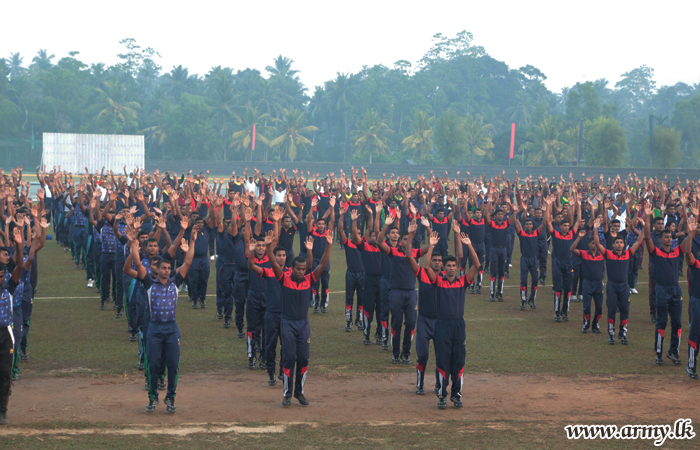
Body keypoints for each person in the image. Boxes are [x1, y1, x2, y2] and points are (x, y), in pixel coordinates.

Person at [132, 227, 196, 413]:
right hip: (154, 329)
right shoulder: (149, 283)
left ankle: (170, 398)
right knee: (152, 365)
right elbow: (136, 262)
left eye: (169, 268)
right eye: (164, 268)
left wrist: (192, 240)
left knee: (173, 366)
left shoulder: (175, 282)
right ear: (157, 270)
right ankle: (153, 398)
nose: (167, 271)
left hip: (171, 330)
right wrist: (134, 244)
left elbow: (189, 260)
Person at [267, 227, 331, 406]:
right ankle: (287, 394)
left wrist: (328, 246)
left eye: (304, 269)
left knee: (303, 358)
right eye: (298, 269)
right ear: (292, 269)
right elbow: (273, 264)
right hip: (287, 323)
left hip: (303, 325)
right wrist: (268, 248)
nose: (302, 272)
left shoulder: (309, 280)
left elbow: (323, 264)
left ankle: (299, 392)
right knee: (288, 358)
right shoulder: (284, 279)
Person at [418, 228, 480, 409]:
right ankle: (442, 395)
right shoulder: (438, 281)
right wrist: (430, 246)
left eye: (454, 265)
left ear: (456, 268)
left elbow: (476, 266)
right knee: (443, 361)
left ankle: (457, 394)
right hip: (442, 325)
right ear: (443, 268)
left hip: (458, 326)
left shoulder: (462, 281)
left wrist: (469, 246)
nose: (451, 268)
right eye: (448, 266)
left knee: (459, 361)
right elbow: (427, 266)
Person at [378, 213, 428, 364]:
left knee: (411, 323)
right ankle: (395, 353)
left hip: (411, 292)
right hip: (396, 292)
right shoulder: (394, 252)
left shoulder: (415, 253)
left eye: (409, 239)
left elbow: (431, 245)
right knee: (397, 323)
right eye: (405, 239)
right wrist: (386, 225)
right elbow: (380, 242)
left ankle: (406, 353)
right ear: (400, 241)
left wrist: (428, 229)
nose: (407, 241)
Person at [644, 202, 683, 366]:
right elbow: (646, 237)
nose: (668, 239)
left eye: (670, 237)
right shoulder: (656, 252)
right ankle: (658, 353)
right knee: (662, 323)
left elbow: (688, 237)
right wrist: (647, 217)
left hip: (676, 290)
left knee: (678, 323)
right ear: (660, 240)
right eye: (665, 237)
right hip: (661, 291)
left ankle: (673, 352)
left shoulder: (676, 251)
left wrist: (689, 222)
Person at [0, 227, 30, 426]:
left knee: (4, 373)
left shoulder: (8, 286)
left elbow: (20, 266)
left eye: (3, 273)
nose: (2, 276)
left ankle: (2, 411)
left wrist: (19, 245)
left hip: (5, 333)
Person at [545, 194, 581, 322]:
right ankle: (556, 311)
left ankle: (565, 311)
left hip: (568, 263)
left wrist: (577, 206)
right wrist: (549, 204)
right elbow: (548, 221)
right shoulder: (555, 233)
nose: (566, 227)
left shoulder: (571, 233)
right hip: (558, 263)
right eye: (564, 226)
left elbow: (576, 221)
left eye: (567, 226)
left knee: (568, 289)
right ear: (560, 226)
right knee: (558, 289)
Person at [509, 196, 547, 310]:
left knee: (535, 280)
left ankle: (532, 300)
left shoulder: (536, 233)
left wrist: (546, 209)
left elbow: (545, 222)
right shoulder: (522, 233)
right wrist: (515, 212)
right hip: (524, 259)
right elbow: (515, 223)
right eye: (527, 224)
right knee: (524, 281)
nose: (529, 226)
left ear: (532, 225)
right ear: (525, 226)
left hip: (534, 259)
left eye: (531, 224)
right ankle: (523, 300)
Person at [352, 208, 382, 346]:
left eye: (376, 236)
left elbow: (376, 229)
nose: (374, 237)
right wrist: (354, 222)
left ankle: (379, 333)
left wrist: (376, 214)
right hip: (369, 281)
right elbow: (355, 237)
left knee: (381, 309)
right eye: (372, 236)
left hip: (382, 282)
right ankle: (366, 334)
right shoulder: (365, 247)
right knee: (368, 308)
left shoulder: (383, 248)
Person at [570, 228, 605, 335]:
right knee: (587, 306)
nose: (594, 245)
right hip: (587, 283)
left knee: (599, 306)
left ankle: (595, 324)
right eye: (592, 243)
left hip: (599, 283)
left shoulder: (602, 254)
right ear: (589, 244)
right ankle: (586, 324)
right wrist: (579, 237)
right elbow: (572, 249)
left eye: (596, 243)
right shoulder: (585, 253)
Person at [338, 204, 364, 332]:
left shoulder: (363, 245)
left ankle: (358, 320)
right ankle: (348, 321)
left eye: (359, 233)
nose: (356, 235)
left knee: (361, 298)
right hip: (351, 274)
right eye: (355, 233)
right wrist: (342, 216)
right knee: (349, 297)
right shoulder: (348, 243)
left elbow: (371, 229)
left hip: (362, 274)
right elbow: (340, 231)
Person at [683, 218, 700, 379]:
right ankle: (691, 366)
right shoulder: (696, 263)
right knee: (696, 334)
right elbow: (688, 253)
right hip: (697, 301)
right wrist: (691, 233)